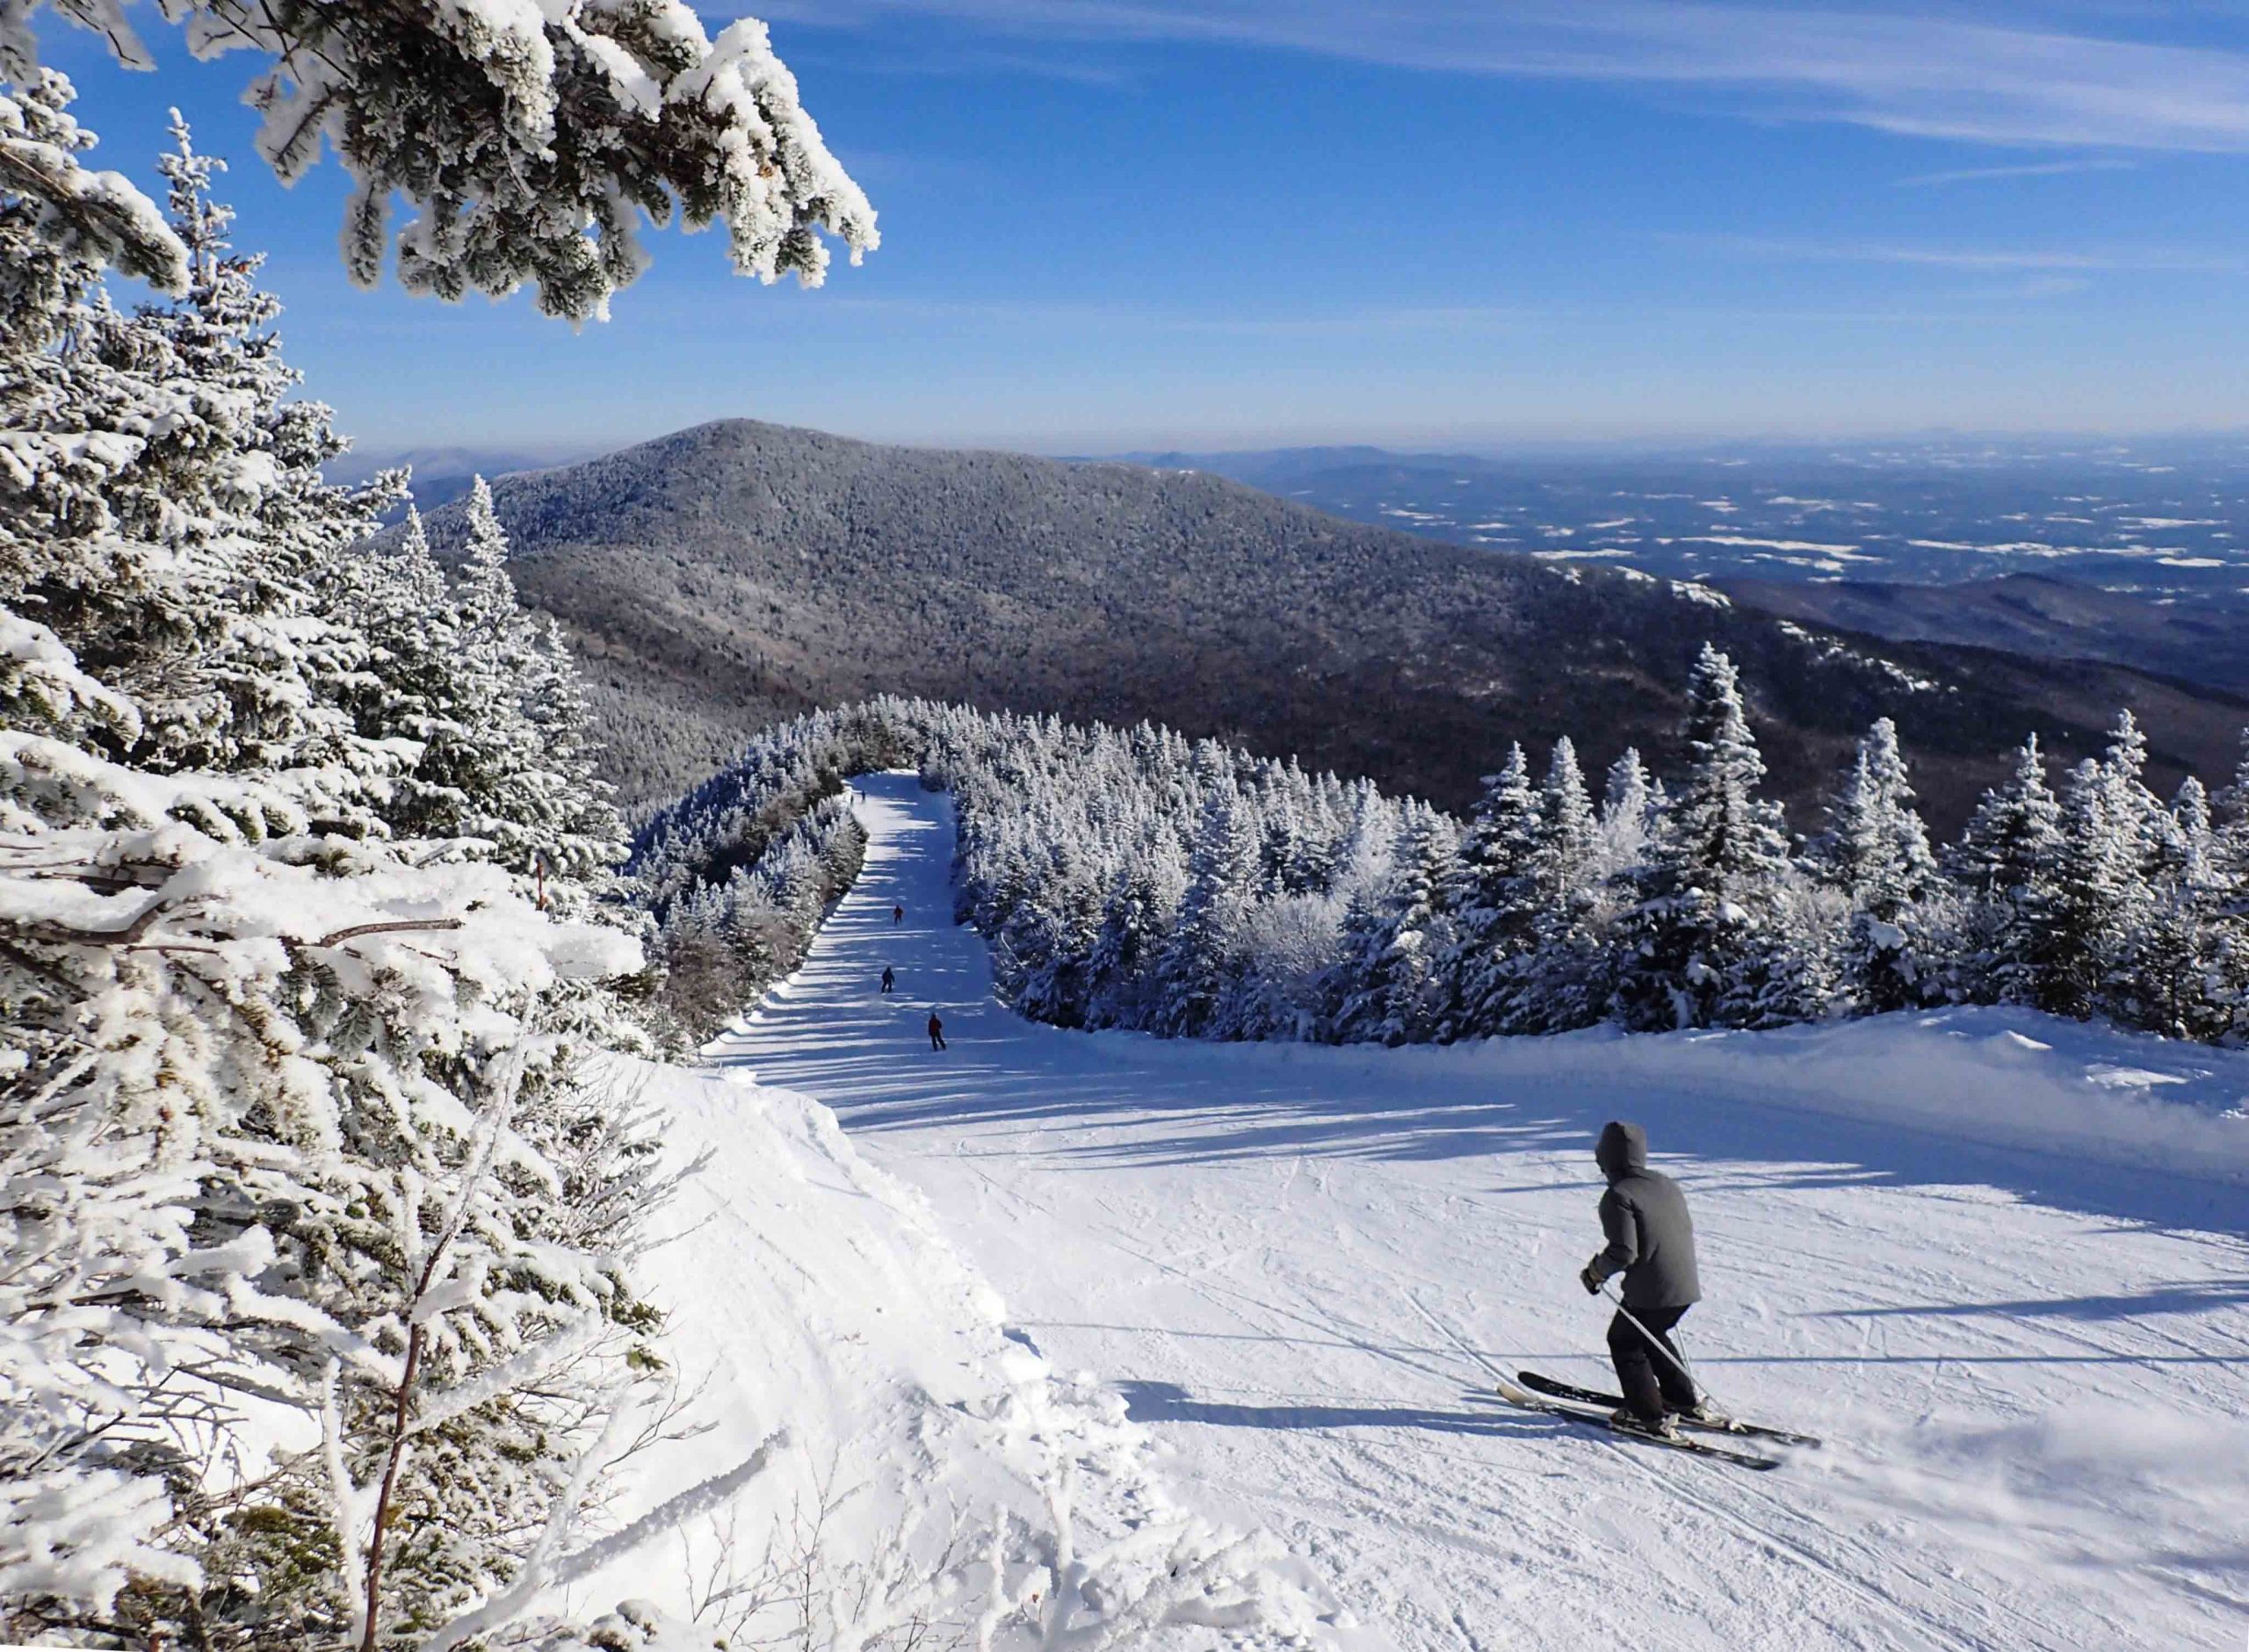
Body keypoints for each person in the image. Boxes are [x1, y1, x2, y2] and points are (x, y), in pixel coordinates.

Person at [1579, 1120, 1716, 1439]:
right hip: (1685, 1286)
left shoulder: (1617, 1195)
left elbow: (1623, 1252)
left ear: (1606, 1157)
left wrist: (1595, 1273)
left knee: (1624, 1342)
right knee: (1654, 1335)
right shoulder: (1665, 1183)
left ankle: (1648, 1416)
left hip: (1651, 1291)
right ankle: (1681, 1400)